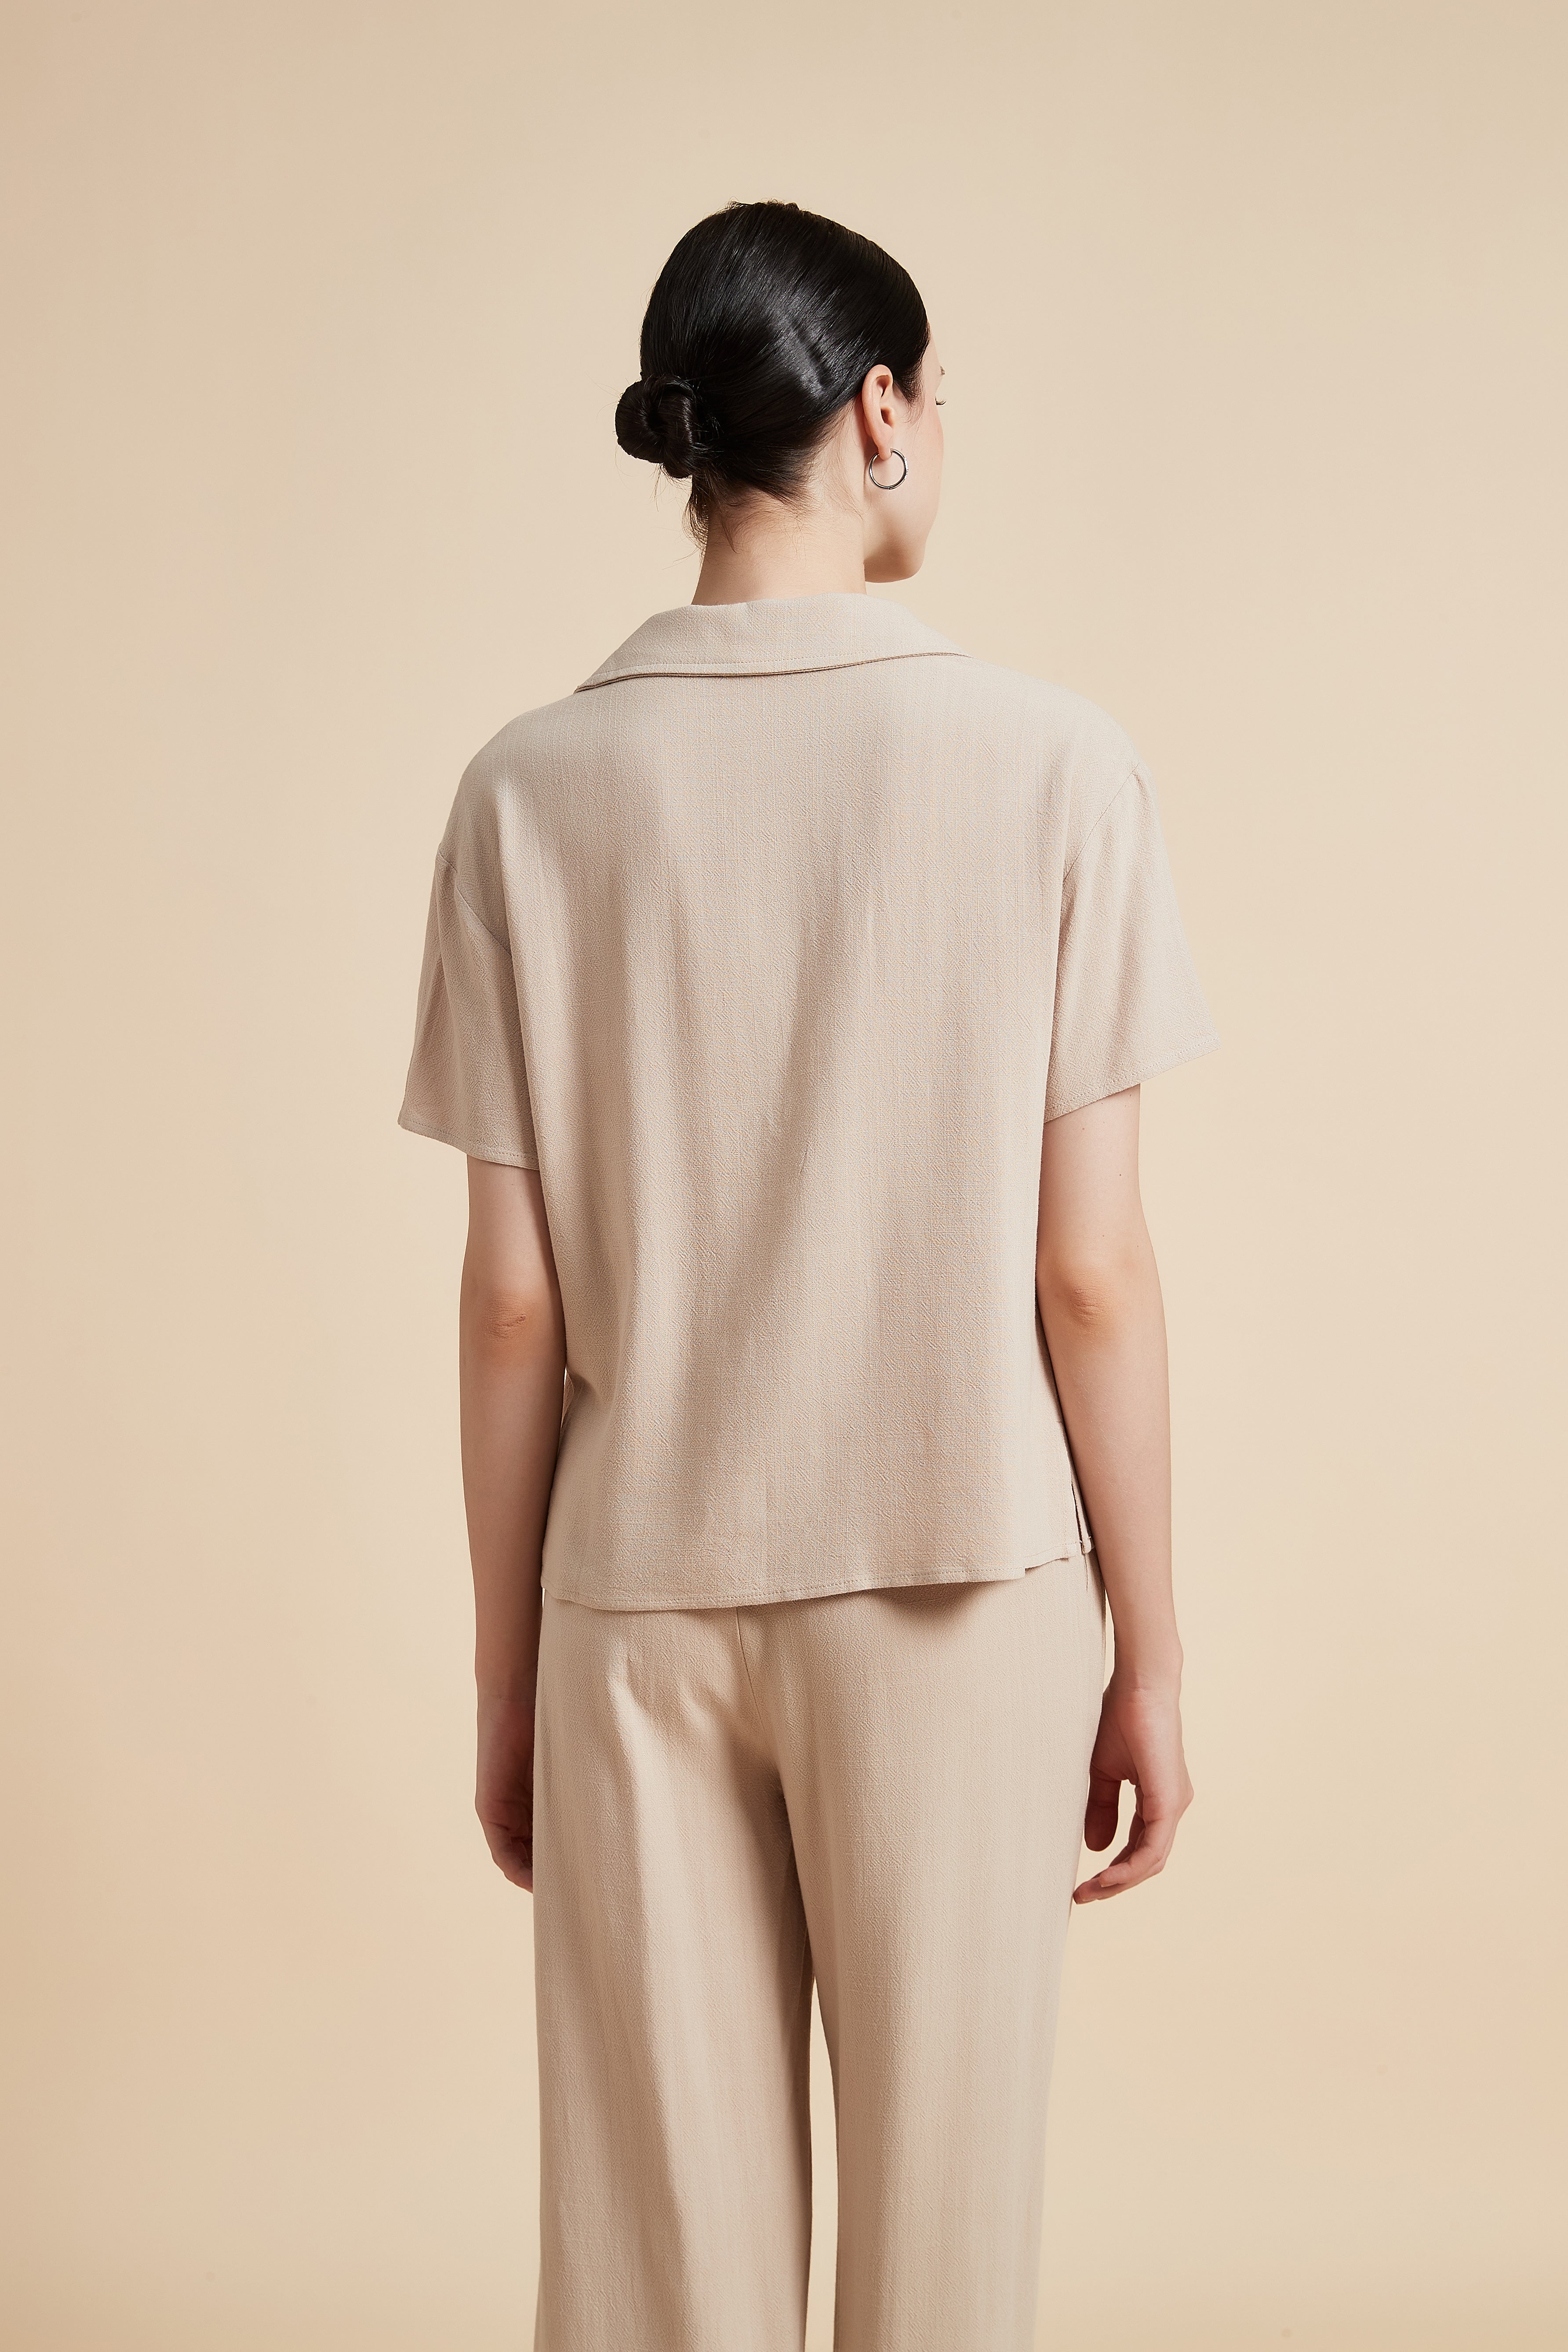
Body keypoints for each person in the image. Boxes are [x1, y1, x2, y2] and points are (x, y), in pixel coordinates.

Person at [397, 198, 1218, 2352]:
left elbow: (511, 1304)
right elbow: (1092, 1273)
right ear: (877, 413)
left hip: (635, 1593)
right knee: (944, 2261)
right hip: (961, 1581)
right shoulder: (1056, 767)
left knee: (653, 2280)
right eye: (937, 398)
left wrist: (507, 1674)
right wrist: (1147, 1655)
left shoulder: (524, 793)